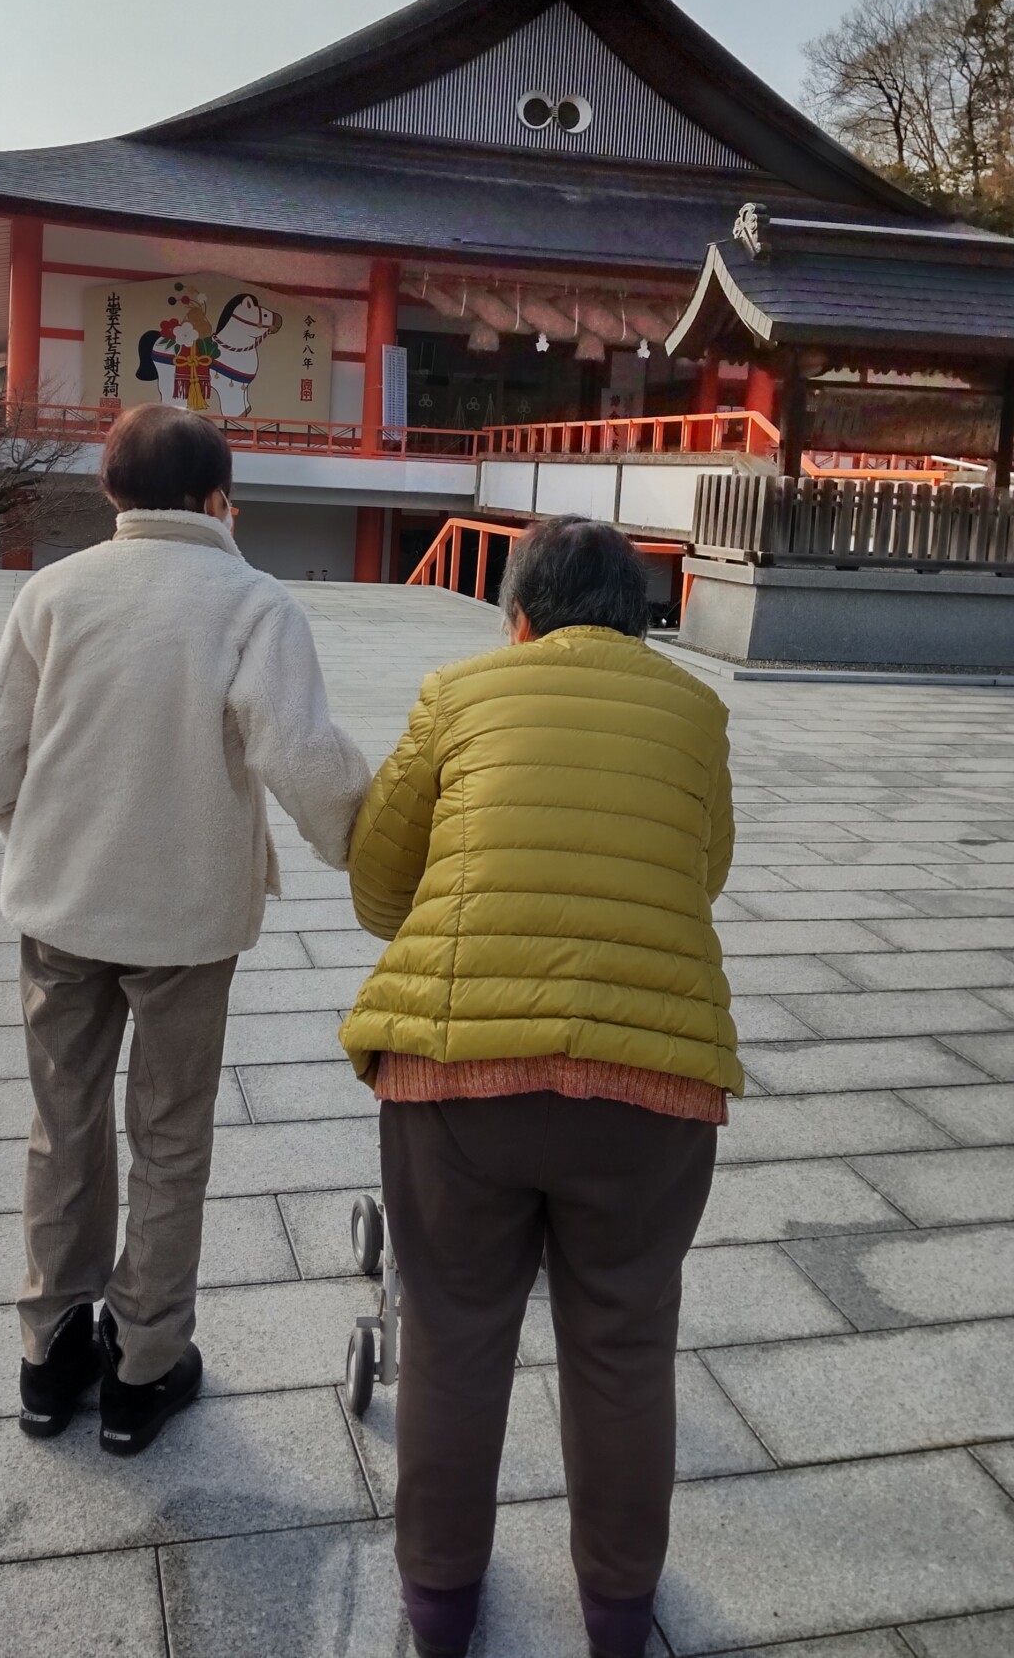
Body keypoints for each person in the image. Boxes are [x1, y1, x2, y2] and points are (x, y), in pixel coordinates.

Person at [339, 516, 740, 1658]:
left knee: (456, 1335)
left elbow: (379, 883)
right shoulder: (695, 710)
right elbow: (702, 871)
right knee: (624, 1344)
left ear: (518, 616)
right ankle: (616, 1616)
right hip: (652, 1082)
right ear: (640, 620)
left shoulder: (459, 691)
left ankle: (438, 1609)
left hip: (457, 1072)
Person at [0, 404, 370, 1456]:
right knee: (171, 1135)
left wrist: (49, 837)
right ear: (217, 497)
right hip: (187, 920)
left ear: (112, 492)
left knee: (63, 1122)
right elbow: (301, 755)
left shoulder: (51, 593)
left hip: (60, 909)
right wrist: (367, 843)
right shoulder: (253, 602)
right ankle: (142, 1367)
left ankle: (49, 1354)